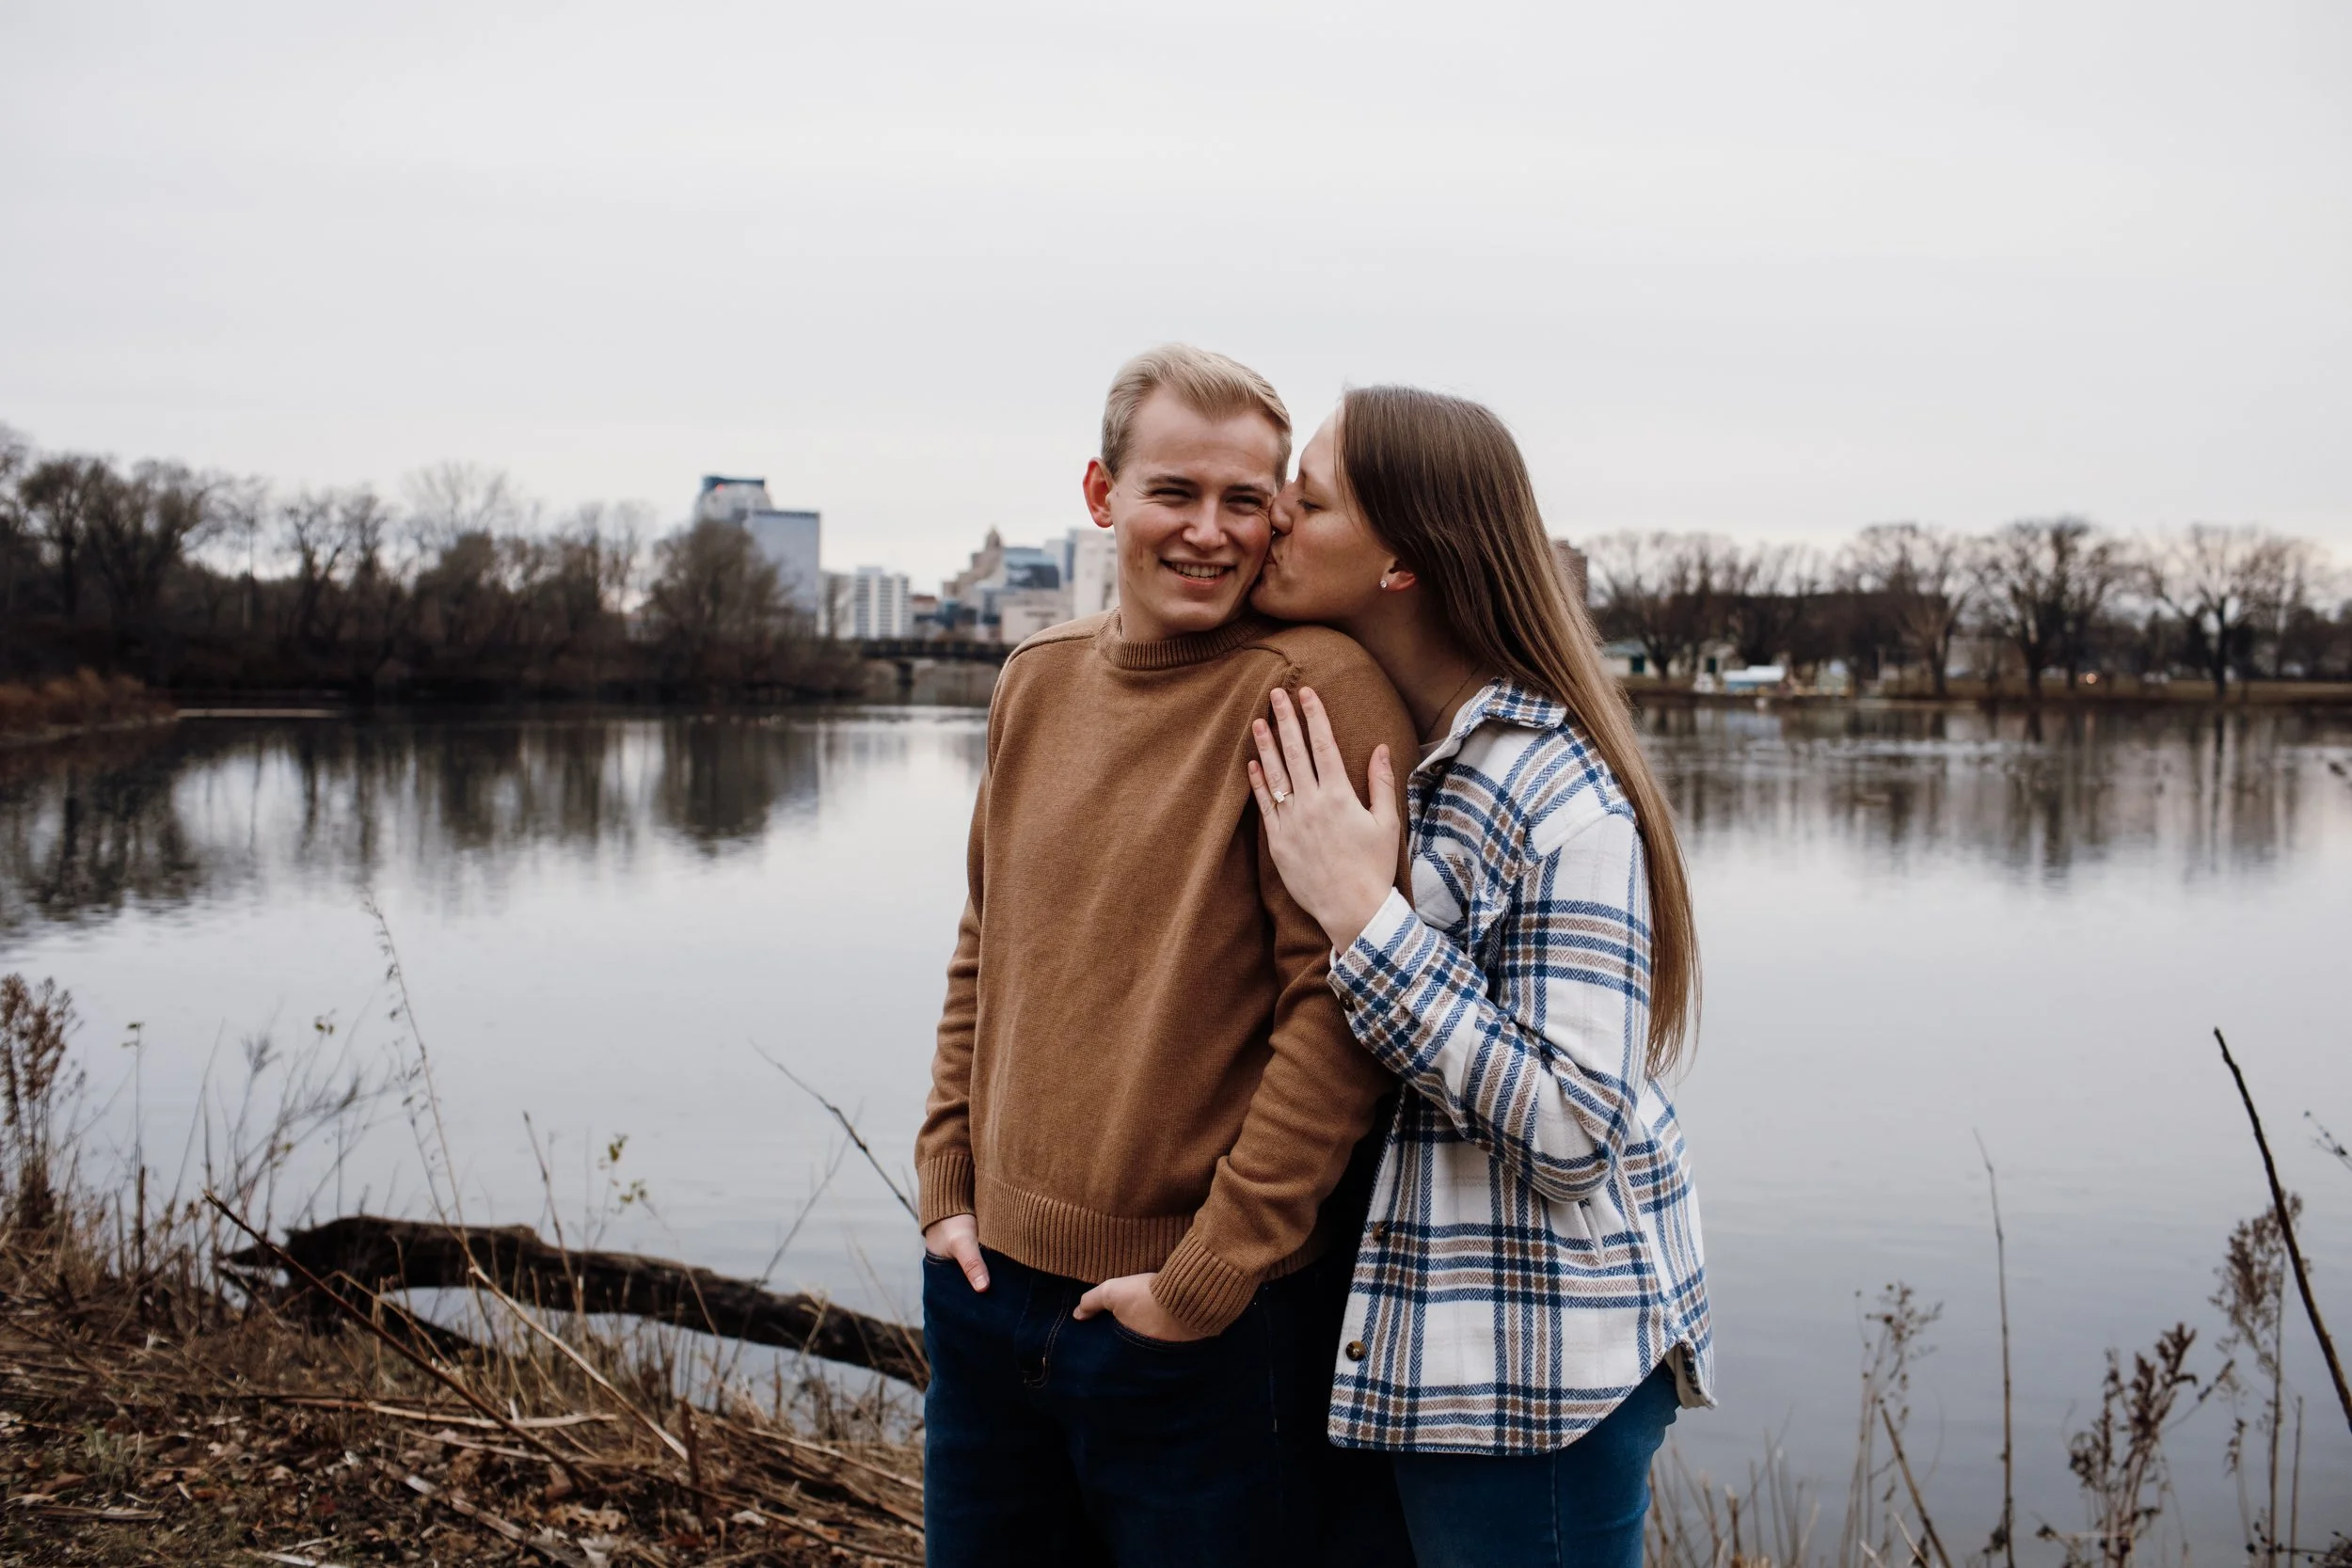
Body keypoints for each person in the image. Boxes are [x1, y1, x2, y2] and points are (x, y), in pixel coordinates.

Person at [914, 345, 1420, 1566]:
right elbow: (987, 934)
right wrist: (945, 1173)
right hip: (988, 1298)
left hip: (1198, 1332)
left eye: (1246, 500)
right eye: (1173, 492)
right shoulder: (1032, 679)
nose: (1209, 531)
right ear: (1102, 495)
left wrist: (1205, 1278)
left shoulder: (1309, 689)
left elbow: (1337, 1010)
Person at [1245, 385, 1715, 1568]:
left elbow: (1572, 1129)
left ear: (1400, 561)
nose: (1270, 523)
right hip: (1394, 1350)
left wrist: (1363, 913)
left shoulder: (1554, 794)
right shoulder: (1396, 742)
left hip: (1529, 1377)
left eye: (1305, 501)